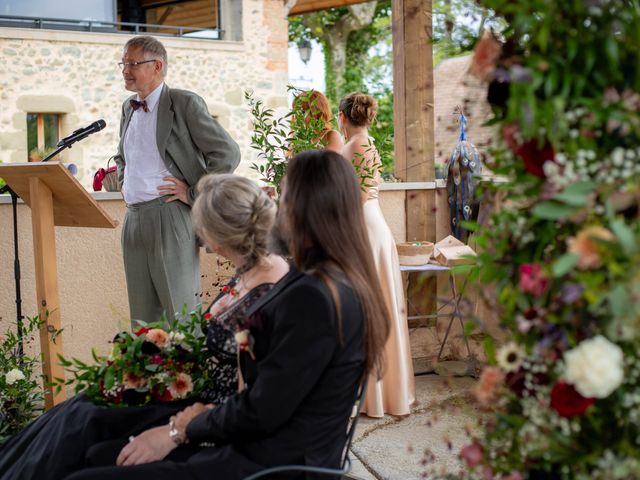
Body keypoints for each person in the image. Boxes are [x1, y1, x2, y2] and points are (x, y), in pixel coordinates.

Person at [0, 174, 286, 480]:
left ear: (218, 238)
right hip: (191, 392)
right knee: (81, 404)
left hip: (205, 411)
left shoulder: (268, 295)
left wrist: (177, 429)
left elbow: (248, 401)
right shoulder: (250, 269)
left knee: (87, 418)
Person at [114, 35, 241, 326]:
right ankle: (145, 374)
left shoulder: (183, 103)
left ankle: (190, 373)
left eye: (133, 63)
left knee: (181, 316)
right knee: (143, 322)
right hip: (133, 220)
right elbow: (122, 155)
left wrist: (195, 193)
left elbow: (227, 153)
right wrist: (124, 182)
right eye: (123, 63)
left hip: (170, 216)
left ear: (157, 65)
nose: (125, 70)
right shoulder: (127, 107)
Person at [339, 92, 416, 417]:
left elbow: (351, 196)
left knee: (366, 309)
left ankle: (372, 395)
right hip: (372, 225)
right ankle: (380, 393)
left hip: (363, 228)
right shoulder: (365, 142)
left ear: (343, 117)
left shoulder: (355, 145)